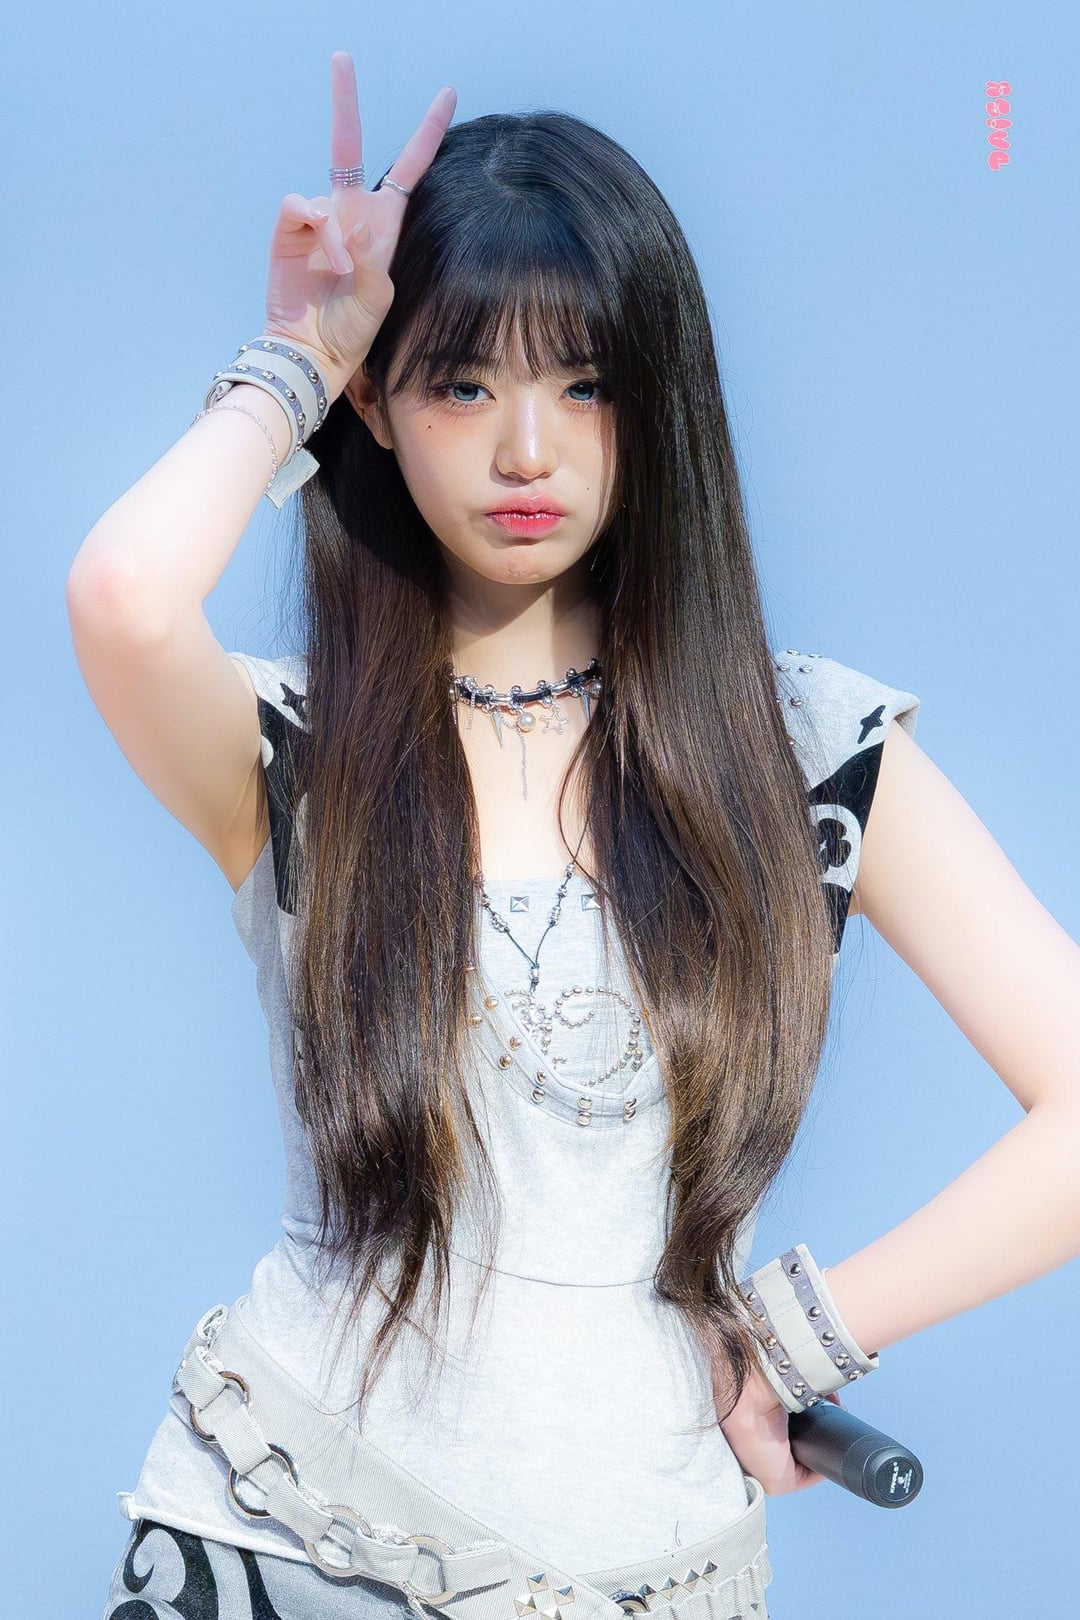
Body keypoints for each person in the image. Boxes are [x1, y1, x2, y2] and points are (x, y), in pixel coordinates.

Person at [69, 49, 1080, 1620]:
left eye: (585, 383)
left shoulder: (805, 753)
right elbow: (126, 596)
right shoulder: (299, 750)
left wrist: (811, 1330)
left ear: (655, 403)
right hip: (282, 1545)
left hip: (653, 1580)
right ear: (379, 408)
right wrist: (300, 352)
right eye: (462, 384)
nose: (526, 450)